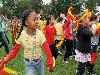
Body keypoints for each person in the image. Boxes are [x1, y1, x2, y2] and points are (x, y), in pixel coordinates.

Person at [0, 9, 53, 75]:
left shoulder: (40, 34)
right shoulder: (22, 35)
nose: (37, 22)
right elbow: (14, 50)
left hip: (39, 62)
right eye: (34, 20)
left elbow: (47, 50)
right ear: (26, 22)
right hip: (29, 63)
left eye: (37, 19)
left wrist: (50, 64)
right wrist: (6, 59)